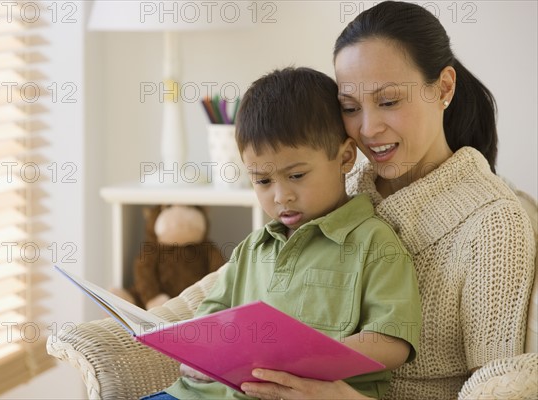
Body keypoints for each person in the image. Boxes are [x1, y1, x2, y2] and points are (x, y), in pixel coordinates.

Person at [240, 2, 536, 400]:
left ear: (444, 88)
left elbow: (497, 387)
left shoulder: (494, 223)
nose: (368, 128)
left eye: (390, 101)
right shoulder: (342, 188)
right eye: (349, 107)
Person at [142, 67, 422, 400]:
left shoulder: (373, 243)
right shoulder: (253, 248)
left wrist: (307, 360)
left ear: (345, 157)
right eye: (262, 181)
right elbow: (211, 315)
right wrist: (198, 354)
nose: (280, 196)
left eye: (297, 175)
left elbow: (392, 342)